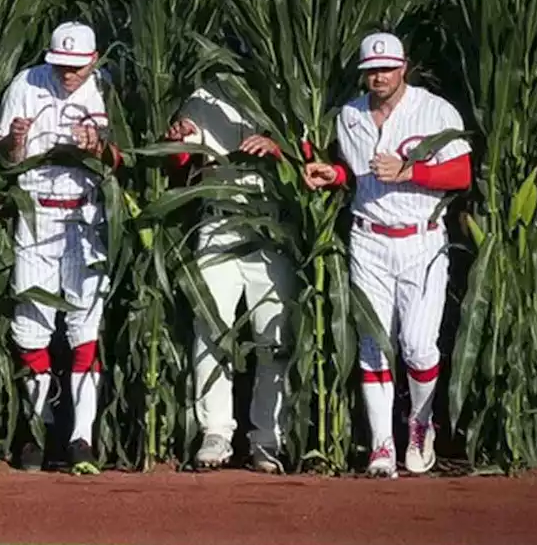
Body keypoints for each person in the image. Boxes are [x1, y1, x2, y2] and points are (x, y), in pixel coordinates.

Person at [303, 32, 472, 478]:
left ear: (404, 67)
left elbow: (462, 173)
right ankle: (381, 446)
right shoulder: (351, 115)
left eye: (388, 68)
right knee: (374, 346)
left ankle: (419, 422)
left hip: (421, 240)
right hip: (368, 239)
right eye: (371, 70)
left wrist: (410, 170)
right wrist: (332, 173)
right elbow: (356, 174)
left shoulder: (434, 109)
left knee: (418, 347)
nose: (379, 76)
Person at [0, 21, 123, 475]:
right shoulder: (26, 84)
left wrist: (100, 148)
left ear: (94, 59)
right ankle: (36, 428)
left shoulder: (107, 89)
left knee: (84, 329)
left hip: (87, 216)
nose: (68, 74)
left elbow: (125, 159)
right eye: (61, 66)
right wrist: (16, 141)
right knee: (31, 327)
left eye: (76, 67)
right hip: (36, 214)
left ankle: (80, 438)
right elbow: (4, 157)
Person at [162, 80, 297, 474]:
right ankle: (215, 432)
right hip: (219, 222)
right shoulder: (202, 98)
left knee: (272, 334)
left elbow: (312, 154)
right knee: (211, 328)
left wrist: (278, 149)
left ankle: (268, 438)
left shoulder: (282, 85)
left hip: (270, 225)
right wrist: (179, 145)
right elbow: (179, 165)